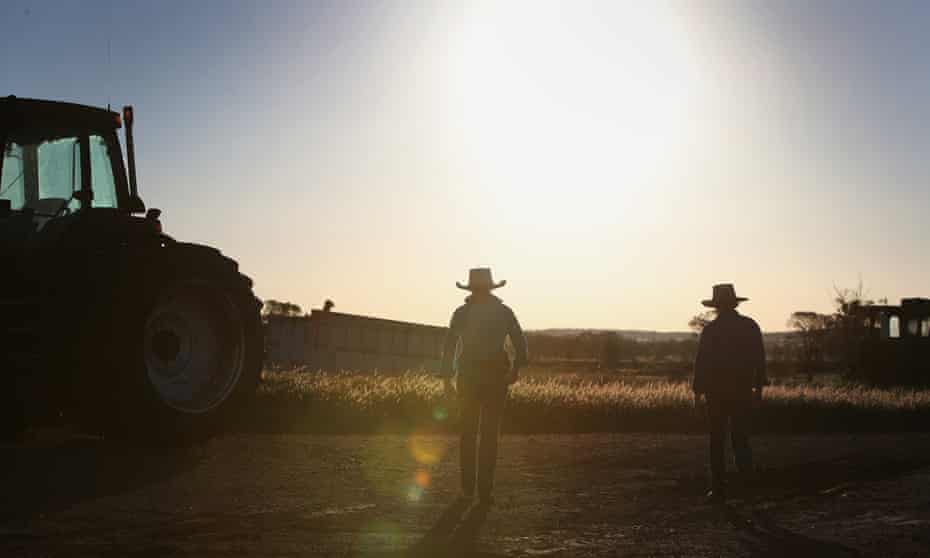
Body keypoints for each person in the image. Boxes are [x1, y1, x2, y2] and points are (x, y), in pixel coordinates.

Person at [440, 268, 528, 506]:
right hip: (495, 378)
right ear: (490, 288)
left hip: (468, 378)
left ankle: (468, 489)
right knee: (489, 436)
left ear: (472, 289)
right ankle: (484, 491)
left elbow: (449, 347)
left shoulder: (461, 313)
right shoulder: (504, 312)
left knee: (468, 433)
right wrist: (515, 370)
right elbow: (520, 343)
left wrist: (446, 379)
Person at [693, 283, 766, 503]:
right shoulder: (750, 326)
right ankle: (747, 487)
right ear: (734, 303)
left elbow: (701, 363)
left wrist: (698, 392)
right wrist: (758, 389)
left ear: (716, 306)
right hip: (742, 391)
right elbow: (759, 360)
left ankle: (718, 489)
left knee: (717, 440)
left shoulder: (711, 330)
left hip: (716, 393)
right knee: (741, 439)